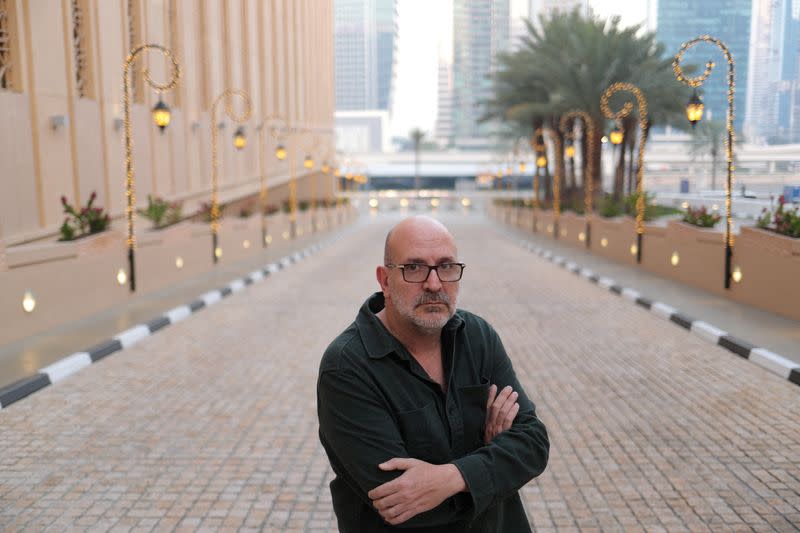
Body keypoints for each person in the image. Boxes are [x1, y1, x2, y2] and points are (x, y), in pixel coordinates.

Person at [317, 215, 549, 532]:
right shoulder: (347, 367)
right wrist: (492, 461)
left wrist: (452, 478)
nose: (434, 284)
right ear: (385, 280)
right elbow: (404, 507)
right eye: (414, 268)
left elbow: (533, 444)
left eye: (446, 266)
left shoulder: (478, 337)